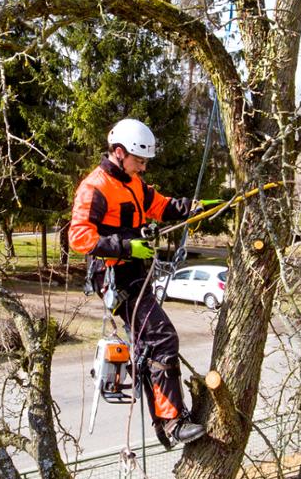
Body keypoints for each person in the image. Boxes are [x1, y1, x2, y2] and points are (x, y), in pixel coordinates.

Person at [69, 118, 218, 447]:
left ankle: (164, 424)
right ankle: (171, 422)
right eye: (139, 161)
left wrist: (196, 208)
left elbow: (161, 206)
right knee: (162, 339)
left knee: (151, 346)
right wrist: (125, 246)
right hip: (115, 276)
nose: (144, 168)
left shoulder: (134, 183)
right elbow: (78, 237)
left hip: (137, 272)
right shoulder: (95, 187)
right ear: (119, 153)